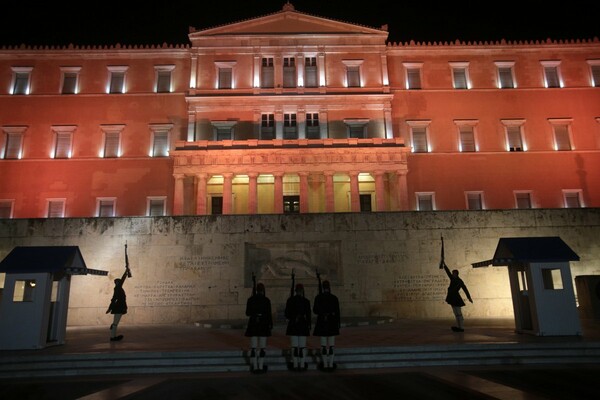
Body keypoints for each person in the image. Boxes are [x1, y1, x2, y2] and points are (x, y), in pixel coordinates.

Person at [244, 281, 273, 373]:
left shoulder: (251, 299)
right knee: (262, 348)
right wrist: (270, 324)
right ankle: (260, 366)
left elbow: (247, 313)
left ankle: (255, 366)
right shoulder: (266, 300)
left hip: (253, 323)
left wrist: (254, 314)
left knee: (253, 348)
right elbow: (269, 314)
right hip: (263, 323)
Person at [313, 279, 340, 371]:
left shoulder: (318, 298)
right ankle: (330, 364)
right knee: (331, 346)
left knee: (324, 346)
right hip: (331, 323)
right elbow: (337, 312)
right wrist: (338, 324)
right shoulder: (334, 298)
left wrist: (322, 313)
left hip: (322, 322)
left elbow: (315, 310)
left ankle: (325, 365)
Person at [285, 282, 312, 371]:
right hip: (303, 324)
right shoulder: (306, 301)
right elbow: (308, 315)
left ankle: (295, 365)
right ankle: (302, 364)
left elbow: (287, 314)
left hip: (293, 324)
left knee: (294, 347)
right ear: (302, 291)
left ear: (296, 291)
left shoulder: (290, 300)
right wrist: (309, 325)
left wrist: (293, 317)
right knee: (302, 347)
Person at [441, 261, 473, 332]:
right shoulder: (452, 279)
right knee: (456, 313)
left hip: (456, 298)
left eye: (453, 273)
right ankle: (459, 327)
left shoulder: (459, 281)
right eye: (452, 273)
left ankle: (461, 327)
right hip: (452, 298)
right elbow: (448, 272)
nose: (452, 274)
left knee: (459, 313)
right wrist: (445, 265)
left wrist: (469, 297)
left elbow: (465, 289)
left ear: (456, 274)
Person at [106, 267, 130, 341]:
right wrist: (125, 272)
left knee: (115, 323)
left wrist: (109, 308)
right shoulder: (117, 288)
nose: (118, 283)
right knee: (115, 324)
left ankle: (113, 336)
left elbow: (113, 299)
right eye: (117, 282)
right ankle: (112, 337)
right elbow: (113, 299)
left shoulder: (117, 288)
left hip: (119, 307)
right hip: (119, 307)